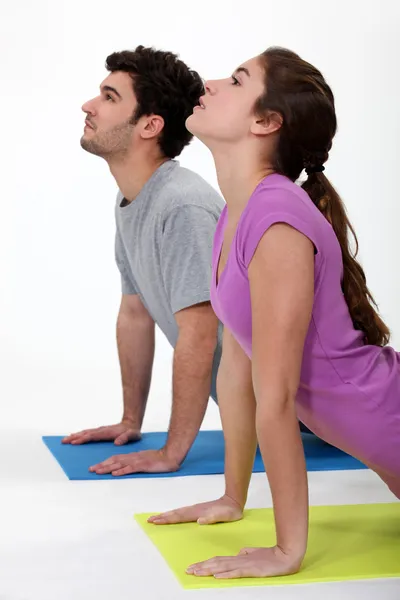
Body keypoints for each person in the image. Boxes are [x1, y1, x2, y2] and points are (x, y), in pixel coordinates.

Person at [148, 47, 400, 579]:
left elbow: (277, 397)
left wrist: (288, 551)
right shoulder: (237, 213)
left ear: (265, 121)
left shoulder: (277, 218)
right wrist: (231, 497)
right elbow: (237, 371)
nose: (212, 83)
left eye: (237, 80)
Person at [62, 46, 226, 475]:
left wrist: (171, 452)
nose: (88, 105)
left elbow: (200, 335)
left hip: (325, 415)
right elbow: (135, 313)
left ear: (150, 126)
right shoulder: (132, 199)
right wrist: (130, 421)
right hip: (282, 414)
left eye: (109, 97)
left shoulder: (182, 205)